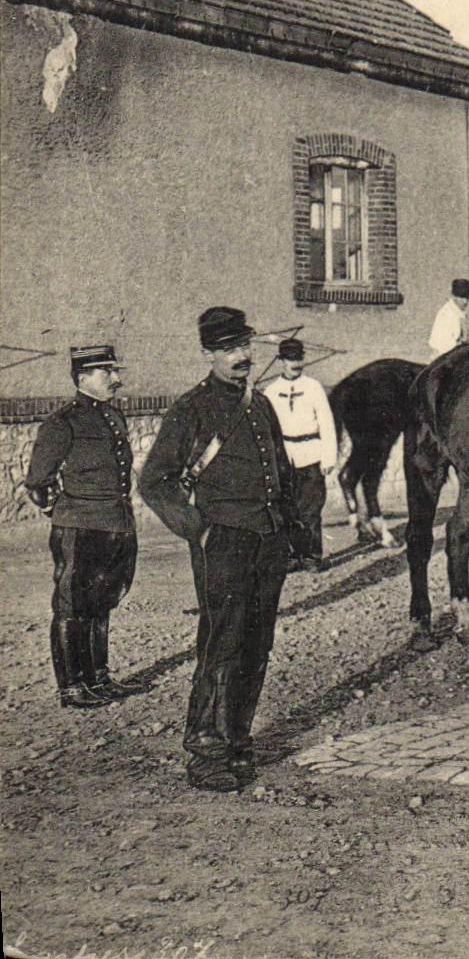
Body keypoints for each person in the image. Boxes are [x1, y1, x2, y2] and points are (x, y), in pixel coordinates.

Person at [140, 307, 297, 792]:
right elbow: (154, 482)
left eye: (245, 345)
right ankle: (206, 751)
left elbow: (283, 470)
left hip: (267, 539)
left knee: (257, 643)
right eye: (229, 349)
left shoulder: (262, 403)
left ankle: (238, 741)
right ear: (208, 354)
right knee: (223, 643)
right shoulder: (192, 409)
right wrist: (200, 531)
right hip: (223, 540)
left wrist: (290, 529)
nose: (242, 356)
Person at [25, 345, 141, 708]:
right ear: (83, 378)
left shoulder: (113, 417)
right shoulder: (63, 422)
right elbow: (38, 481)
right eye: (108, 373)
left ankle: (98, 678)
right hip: (80, 527)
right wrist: (64, 513)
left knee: (102, 602)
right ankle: (72, 686)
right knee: (72, 605)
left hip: (115, 524)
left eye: (115, 372)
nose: (117, 380)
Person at [264, 337, 338, 572]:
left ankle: (313, 556)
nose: (295, 363)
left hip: (311, 454)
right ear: (281, 361)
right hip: (285, 457)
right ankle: (293, 555)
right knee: (287, 508)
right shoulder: (272, 391)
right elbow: (268, 428)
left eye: (298, 358)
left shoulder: (313, 387)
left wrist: (329, 457)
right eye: (290, 359)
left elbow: (327, 423)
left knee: (311, 507)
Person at [428, 278, 469, 358]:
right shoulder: (447, 314)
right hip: (444, 359)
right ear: (453, 296)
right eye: (462, 297)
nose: (465, 301)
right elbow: (444, 345)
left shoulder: (459, 313)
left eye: (467, 297)